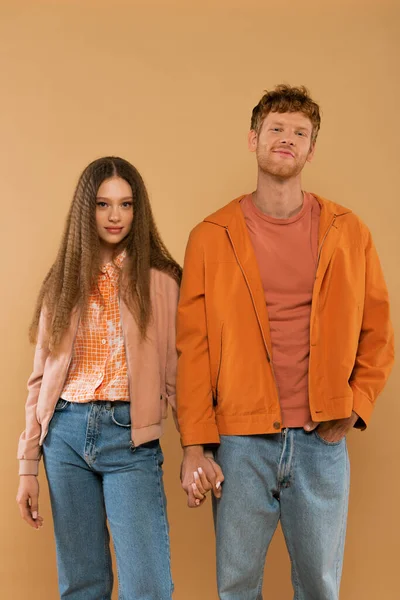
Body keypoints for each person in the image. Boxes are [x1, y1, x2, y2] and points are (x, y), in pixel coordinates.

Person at [176, 85, 394, 599]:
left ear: (311, 150)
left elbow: (379, 330)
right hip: (238, 441)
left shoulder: (349, 232)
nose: (286, 139)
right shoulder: (211, 235)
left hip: (322, 441)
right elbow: (193, 348)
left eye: (300, 133)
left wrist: (357, 403)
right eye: (276, 128)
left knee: (320, 586)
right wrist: (194, 445)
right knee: (236, 586)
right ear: (254, 138)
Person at [16, 156, 180, 600]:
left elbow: (176, 376)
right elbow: (39, 381)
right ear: (85, 210)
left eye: (126, 204)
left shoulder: (162, 282)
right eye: (103, 204)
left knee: (147, 587)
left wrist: (197, 448)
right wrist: (27, 466)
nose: (114, 216)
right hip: (64, 436)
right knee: (83, 585)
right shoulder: (64, 280)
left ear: (137, 211)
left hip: (131, 439)